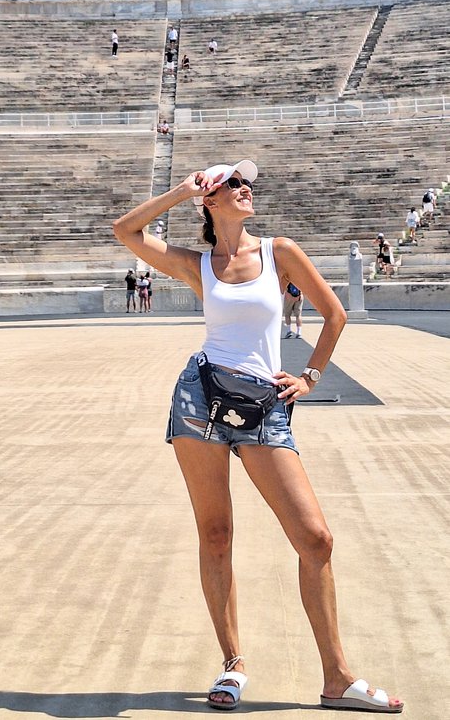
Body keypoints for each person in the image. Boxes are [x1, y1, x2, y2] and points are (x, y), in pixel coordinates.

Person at [113, 160, 403, 714]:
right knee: (216, 533)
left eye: (247, 184)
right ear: (211, 201)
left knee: (315, 538)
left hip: (264, 406)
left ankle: (338, 678)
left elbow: (334, 313)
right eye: (232, 184)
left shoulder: (279, 252)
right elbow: (126, 232)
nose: (245, 189)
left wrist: (311, 376)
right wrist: (179, 190)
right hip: (199, 401)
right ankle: (232, 665)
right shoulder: (199, 264)